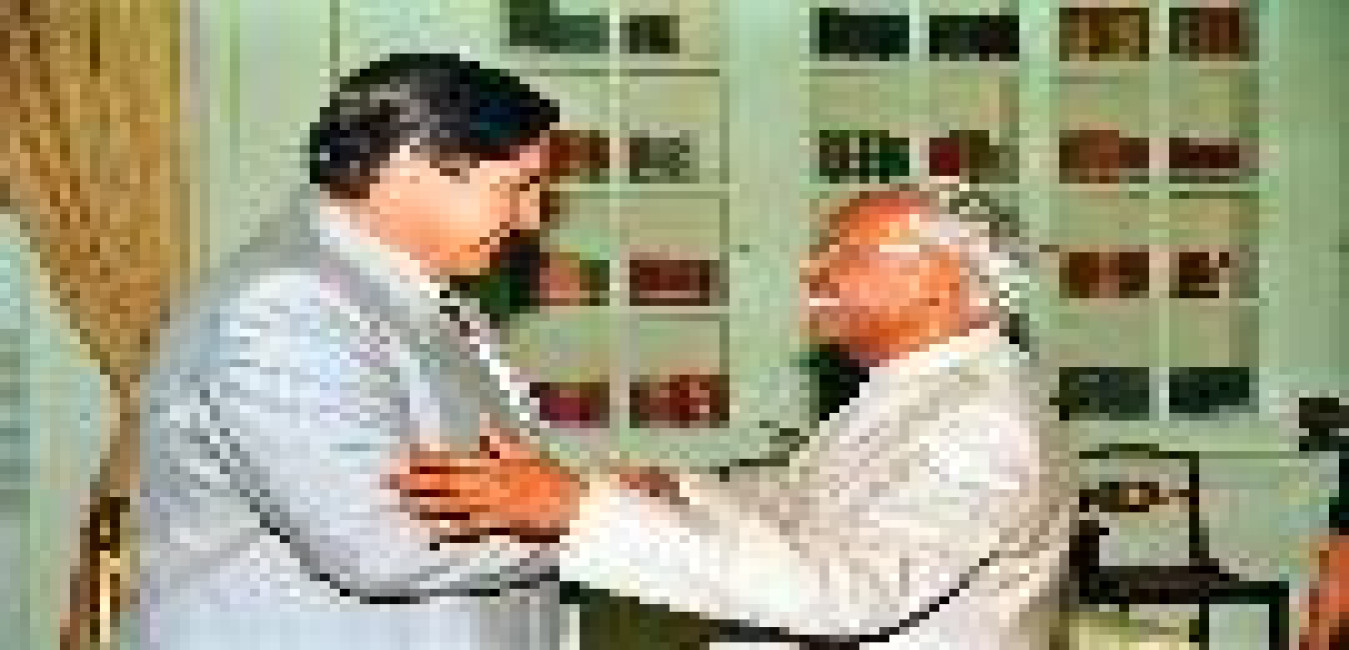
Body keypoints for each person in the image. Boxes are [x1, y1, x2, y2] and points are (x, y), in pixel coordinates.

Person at [393, 185, 1077, 649]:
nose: (811, 272)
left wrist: (578, 512)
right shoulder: (922, 389)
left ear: (937, 278)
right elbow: (817, 509)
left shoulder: (979, 422)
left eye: (843, 253)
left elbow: (848, 593)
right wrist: (682, 494)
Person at [134, 52, 569, 650]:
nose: (531, 219)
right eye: (517, 187)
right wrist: (596, 525)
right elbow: (379, 540)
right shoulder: (286, 306)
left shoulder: (428, 295)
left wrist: (575, 497)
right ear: (408, 167)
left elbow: (491, 489)